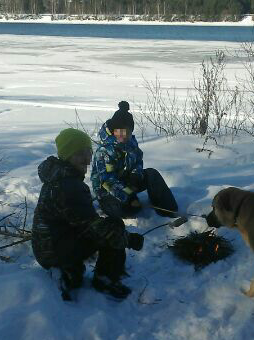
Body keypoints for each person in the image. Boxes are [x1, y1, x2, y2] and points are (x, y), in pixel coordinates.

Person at [31, 128, 145, 301]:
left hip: (47, 248)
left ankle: (71, 271)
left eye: (88, 153)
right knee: (114, 226)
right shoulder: (69, 186)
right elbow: (95, 228)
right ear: (66, 156)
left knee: (106, 228)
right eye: (79, 154)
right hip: (55, 251)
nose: (86, 159)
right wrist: (129, 239)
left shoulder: (57, 177)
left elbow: (77, 220)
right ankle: (105, 280)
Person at [91, 101, 178, 219]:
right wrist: (129, 196)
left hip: (126, 183)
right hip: (107, 192)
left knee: (151, 173)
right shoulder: (104, 151)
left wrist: (135, 176)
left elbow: (137, 161)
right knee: (131, 210)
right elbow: (108, 181)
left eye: (128, 132)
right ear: (114, 131)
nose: (125, 135)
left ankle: (168, 211)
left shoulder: (130, 143)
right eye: (121, 132)